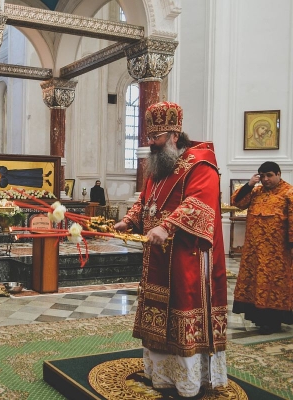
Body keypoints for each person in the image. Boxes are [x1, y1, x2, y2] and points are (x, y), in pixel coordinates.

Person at [113, 102, 227, 397]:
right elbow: (146, 198)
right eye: (149, 137)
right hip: (157, 257)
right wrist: (129, 220)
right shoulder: (160, 165)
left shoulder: (201, 164)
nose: (151, 143)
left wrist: (166, 227)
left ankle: (189, 381)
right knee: (156, 311)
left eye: (157, 137)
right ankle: (161, 375)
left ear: (175, 134)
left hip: (185, 256)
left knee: (181, 309)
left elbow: (197, 204)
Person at [231, 162, 293, 334]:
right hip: (254, 251)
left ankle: (273, 322)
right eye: (263, 176)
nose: (266, 179)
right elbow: (237, 202)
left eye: (270, 175)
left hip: (278, 253)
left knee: (273, 287)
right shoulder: (256, 191)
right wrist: (250, 184)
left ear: (278, 174)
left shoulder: (289, 192)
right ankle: (259, 319)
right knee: (255, 285)